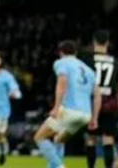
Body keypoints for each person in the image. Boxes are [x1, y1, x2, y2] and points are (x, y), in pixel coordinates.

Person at [33, 40, 101, 168]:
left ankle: (59, 166)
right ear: (76, 52)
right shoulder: (89, 70)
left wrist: (56, 107)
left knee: (40, 137)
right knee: (59, 139)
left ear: (60, 52)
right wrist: (94, 118)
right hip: (85, 114)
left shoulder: (61, 63)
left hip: (69, 110)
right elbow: (97, 95)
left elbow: (62, 83)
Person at [84, 30, 118, 168]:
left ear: (94, 42)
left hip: (91, 104)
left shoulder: (87, 61)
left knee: (91, 139)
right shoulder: (116, 62)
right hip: (109, 104)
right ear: (107, 42)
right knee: (108, 139)